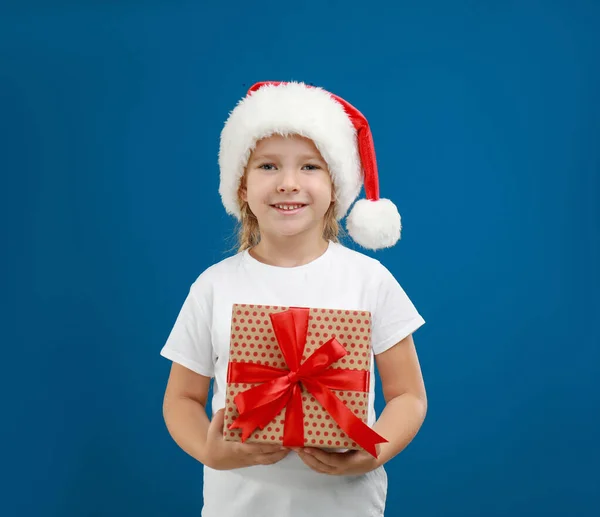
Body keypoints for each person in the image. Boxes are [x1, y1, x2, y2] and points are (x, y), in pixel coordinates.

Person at [160, 81, 427, 517]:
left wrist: (373, 451)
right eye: (267, 166)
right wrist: (213, 453)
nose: (288, 183)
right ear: (241, 187)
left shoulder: (370, 280)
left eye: (310, 167)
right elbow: (181, 399)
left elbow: (408, 396)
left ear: (337, 187)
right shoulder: (213, 286)